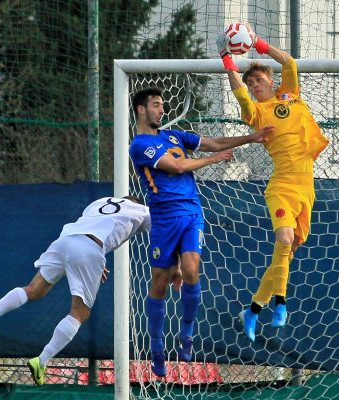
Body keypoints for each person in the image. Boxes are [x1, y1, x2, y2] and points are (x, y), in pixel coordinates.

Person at [129, 87, 268, 377]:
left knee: (192, 270)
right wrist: (214, 161)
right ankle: (156, 348)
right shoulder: (140, 144)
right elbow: (178, 167)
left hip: (192, 213)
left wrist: (251, 137)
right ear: (141, 110)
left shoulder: (175, 136)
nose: (161, 110)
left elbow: (214, 142)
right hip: (164, 219)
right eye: (156, 105)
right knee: (160, 282)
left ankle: (186, 335)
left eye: (162, 105)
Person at [0, 196, 150, 386]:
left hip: (65, 241)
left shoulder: (102, 201)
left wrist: (93, 259)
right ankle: (41, 361)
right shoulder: (141, 211)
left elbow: (96, 226)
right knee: (80, 312)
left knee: (34, 290)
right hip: (89, 248)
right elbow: (168, 224)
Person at [217, 30, 329, 342]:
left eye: (259, 80)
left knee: (287, 252)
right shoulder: (256, 112)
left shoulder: (290, 95)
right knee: (283, 238)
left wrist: (257, 44)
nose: (254, 85)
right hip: (281, 185)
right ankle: (280, 305)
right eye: (251, 82)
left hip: (307, 187)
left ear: (270, 79)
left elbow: (289, 62)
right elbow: (238, 92)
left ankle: (252, 310)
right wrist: (227, 60)